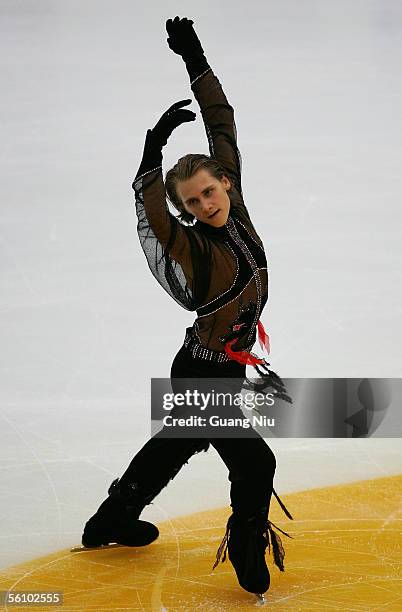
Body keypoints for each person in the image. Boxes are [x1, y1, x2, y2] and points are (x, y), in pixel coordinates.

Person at [81, 16, 293, 598]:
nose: (205, 204)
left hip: (221, 363)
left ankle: (110, 519)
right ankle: (247, 539)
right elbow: (153, 211)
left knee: (176, 443)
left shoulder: (236, 203)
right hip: (203, 369)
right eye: (192, 202)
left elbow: (221, 123)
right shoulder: (190, 245)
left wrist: (195, 60)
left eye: (210, 191)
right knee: (256, 465)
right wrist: (152, 152)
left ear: (225, 182)